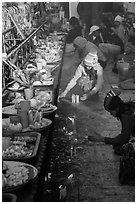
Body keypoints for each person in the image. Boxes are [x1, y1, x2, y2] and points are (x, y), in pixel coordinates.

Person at [88, 89, 135, 155]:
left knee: (122, 148)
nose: (111, 114)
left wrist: (102, 139)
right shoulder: (128, 110)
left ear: (116, 108)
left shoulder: (125, 116)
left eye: (111, 111)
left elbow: (124, 139)